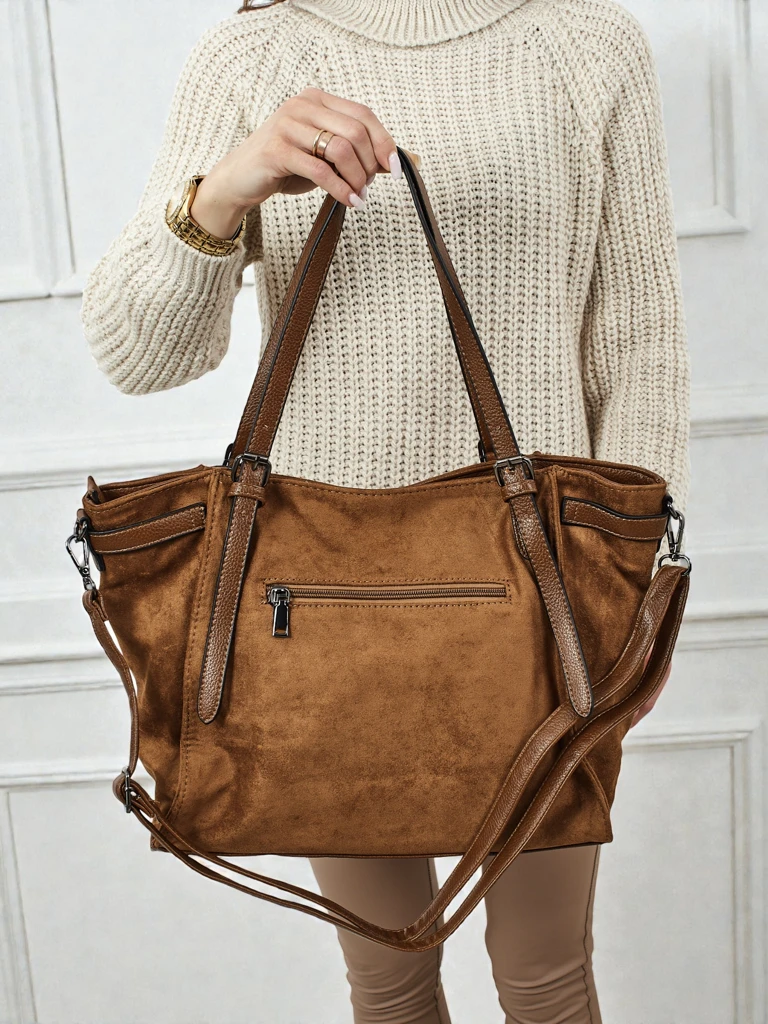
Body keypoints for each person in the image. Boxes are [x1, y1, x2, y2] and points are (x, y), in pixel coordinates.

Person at [80, 0, 691, 1020]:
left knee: (545, 977)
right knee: (389, 980)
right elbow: (138, 353)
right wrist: (227, 188)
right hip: (317, 604)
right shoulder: (255, 53)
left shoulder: (588, 42)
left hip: (542, 592)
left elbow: (638, 341)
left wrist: (631, 592)